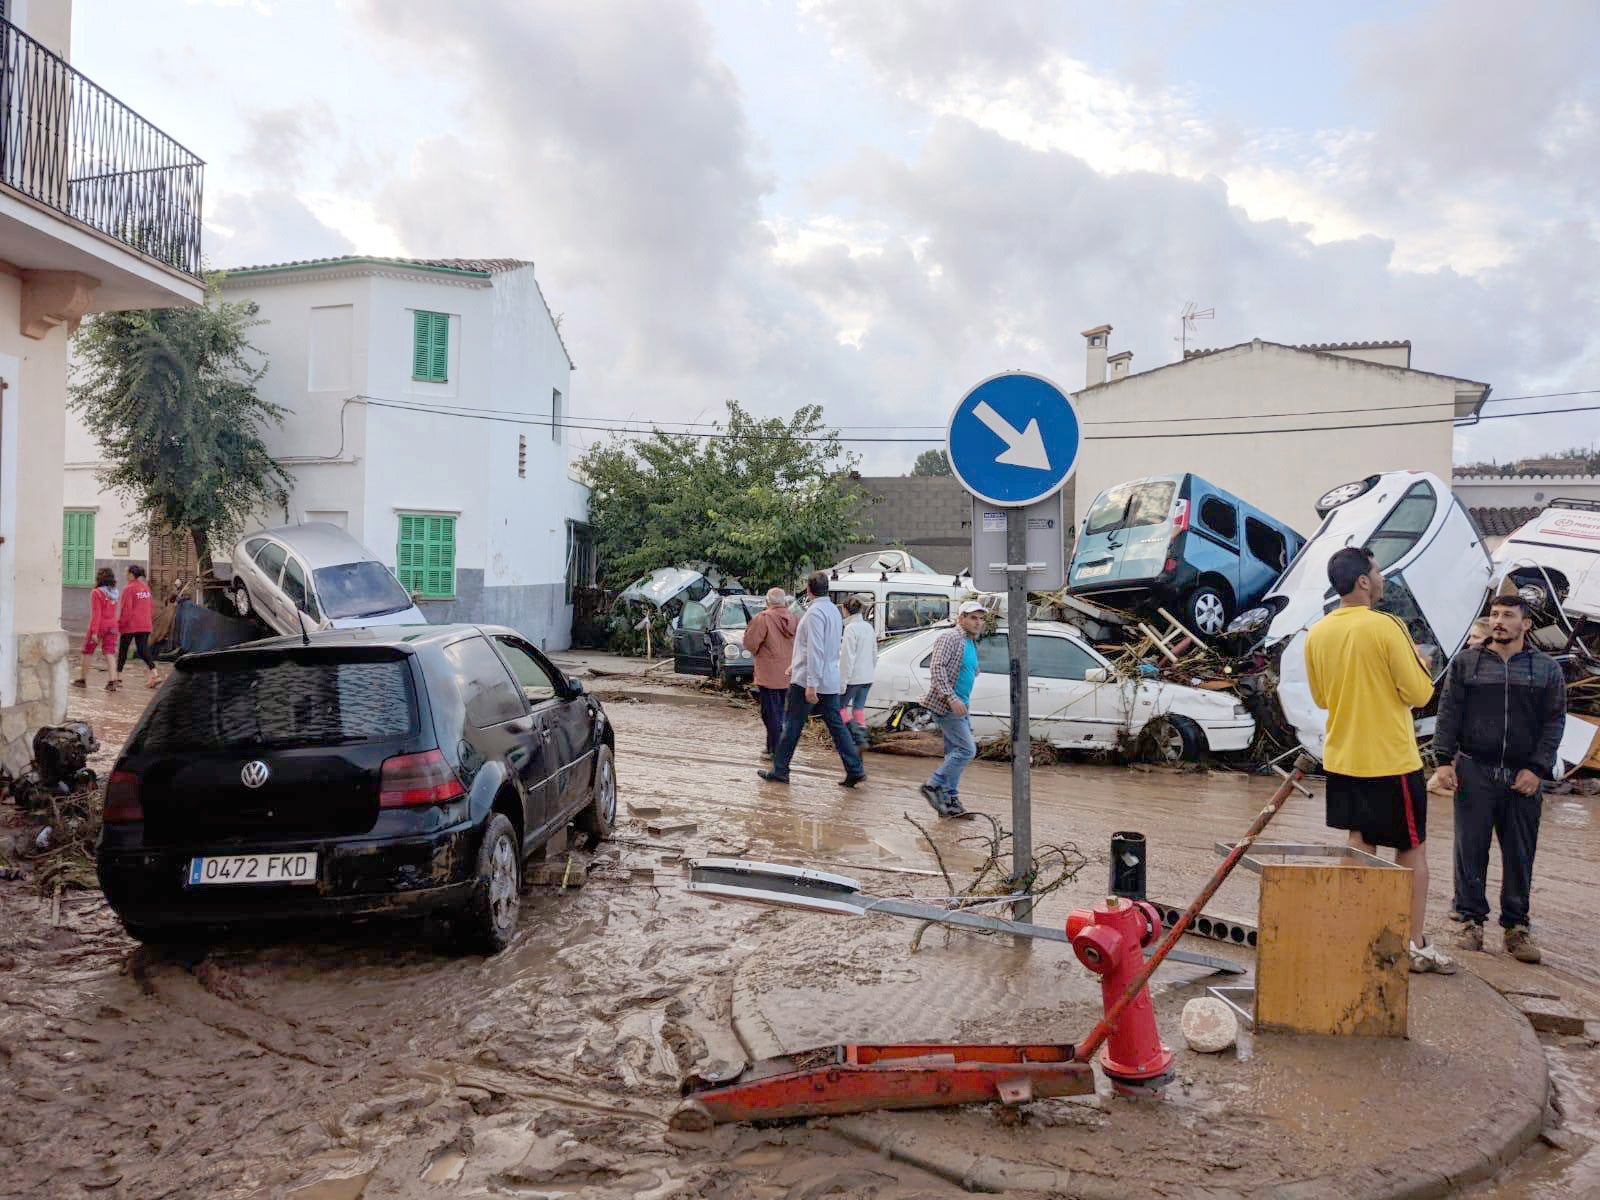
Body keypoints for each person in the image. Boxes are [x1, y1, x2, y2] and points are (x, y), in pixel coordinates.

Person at [1304, 546, 1455, 974]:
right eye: (1377, 571)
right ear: (1364, 582)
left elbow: (1319, 697)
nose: (1382, 578)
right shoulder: (1386, 626)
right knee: (1410, 851)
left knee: (1360, 845)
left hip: (1342, 757)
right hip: (1390, 759)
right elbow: (1420, 694)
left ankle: (1360, 935)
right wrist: (1421, 666)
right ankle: (1414, 943)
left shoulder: (1318, 632)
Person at [1432, 594, 1566, 964]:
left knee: (1520, 854)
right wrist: (1443, 761)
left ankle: (1516, 928)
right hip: (1474, 768)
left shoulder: (1545, 670)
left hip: (1523, 775)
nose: (1498, 621)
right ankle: (1470, 921)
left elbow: (1554, 723)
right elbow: (1449, 713)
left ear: (1526, 624)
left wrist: (1537, 768)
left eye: (1508, 615)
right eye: (1494, 614)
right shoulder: (1467, 664)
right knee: (1469, 849)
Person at [758, 572, 866, 787]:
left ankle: (780, 770)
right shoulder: (833, 612)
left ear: (808, 589)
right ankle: (855, 768)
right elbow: (822, 647)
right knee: (837, 727)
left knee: (792, 726)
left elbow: (816, 649)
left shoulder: (815, 613)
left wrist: (811, 684)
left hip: (810, 681)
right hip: (827, 679)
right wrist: (795, 665)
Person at [919, 600, 987, 819]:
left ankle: (950, 802)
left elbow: (964, 667)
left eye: (981, 618)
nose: (978, 623)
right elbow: (936, 668)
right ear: (961, 619)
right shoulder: (950, 637)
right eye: (973, 618)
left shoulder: (969, 641)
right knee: (967, 750)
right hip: (947, 705)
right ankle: (933, 785)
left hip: (962, 706)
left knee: (954, 753)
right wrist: (951, 697)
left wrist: (973, 670)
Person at [743, 587, 799, 759]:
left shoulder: (763, 619)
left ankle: (776, 750)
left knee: (769, 713)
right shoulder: (795, 619)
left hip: (768, 675)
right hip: (789, 674)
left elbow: (750, 644)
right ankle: (771, 747)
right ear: (784, 602)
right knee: (779, 712)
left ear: (767, 601)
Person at [72, 568, 121, 692]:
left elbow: (96, 613)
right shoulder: (115, 593)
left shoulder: (96, 593)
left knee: (87, 651)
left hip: (99, 626)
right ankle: (112, 680)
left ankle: (82, 680)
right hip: (113, 625)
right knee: (110, 652)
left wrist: (94, 631)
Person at [838, 595, 876, 749]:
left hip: (854, 678)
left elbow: (847, 658)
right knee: (858, 708)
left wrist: (842, 683)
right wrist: (870, 671)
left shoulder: (850, 629)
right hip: (867, 677)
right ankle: (862, 738)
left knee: (839, 708)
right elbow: (874, 654)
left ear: (845, 610)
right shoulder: (868, 627)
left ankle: (856, 737)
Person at [116, 564, 159, 690]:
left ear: (131, 574)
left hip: (130, 625)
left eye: (126, 572)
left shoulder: (128, 589)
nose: (124, 574)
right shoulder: (145, 588)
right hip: (145, 624)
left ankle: (117, 676)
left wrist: (120, 625)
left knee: (123, 650)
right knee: (142, 649)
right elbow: (151, 607)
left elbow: (126, 610)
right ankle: (155, 674)